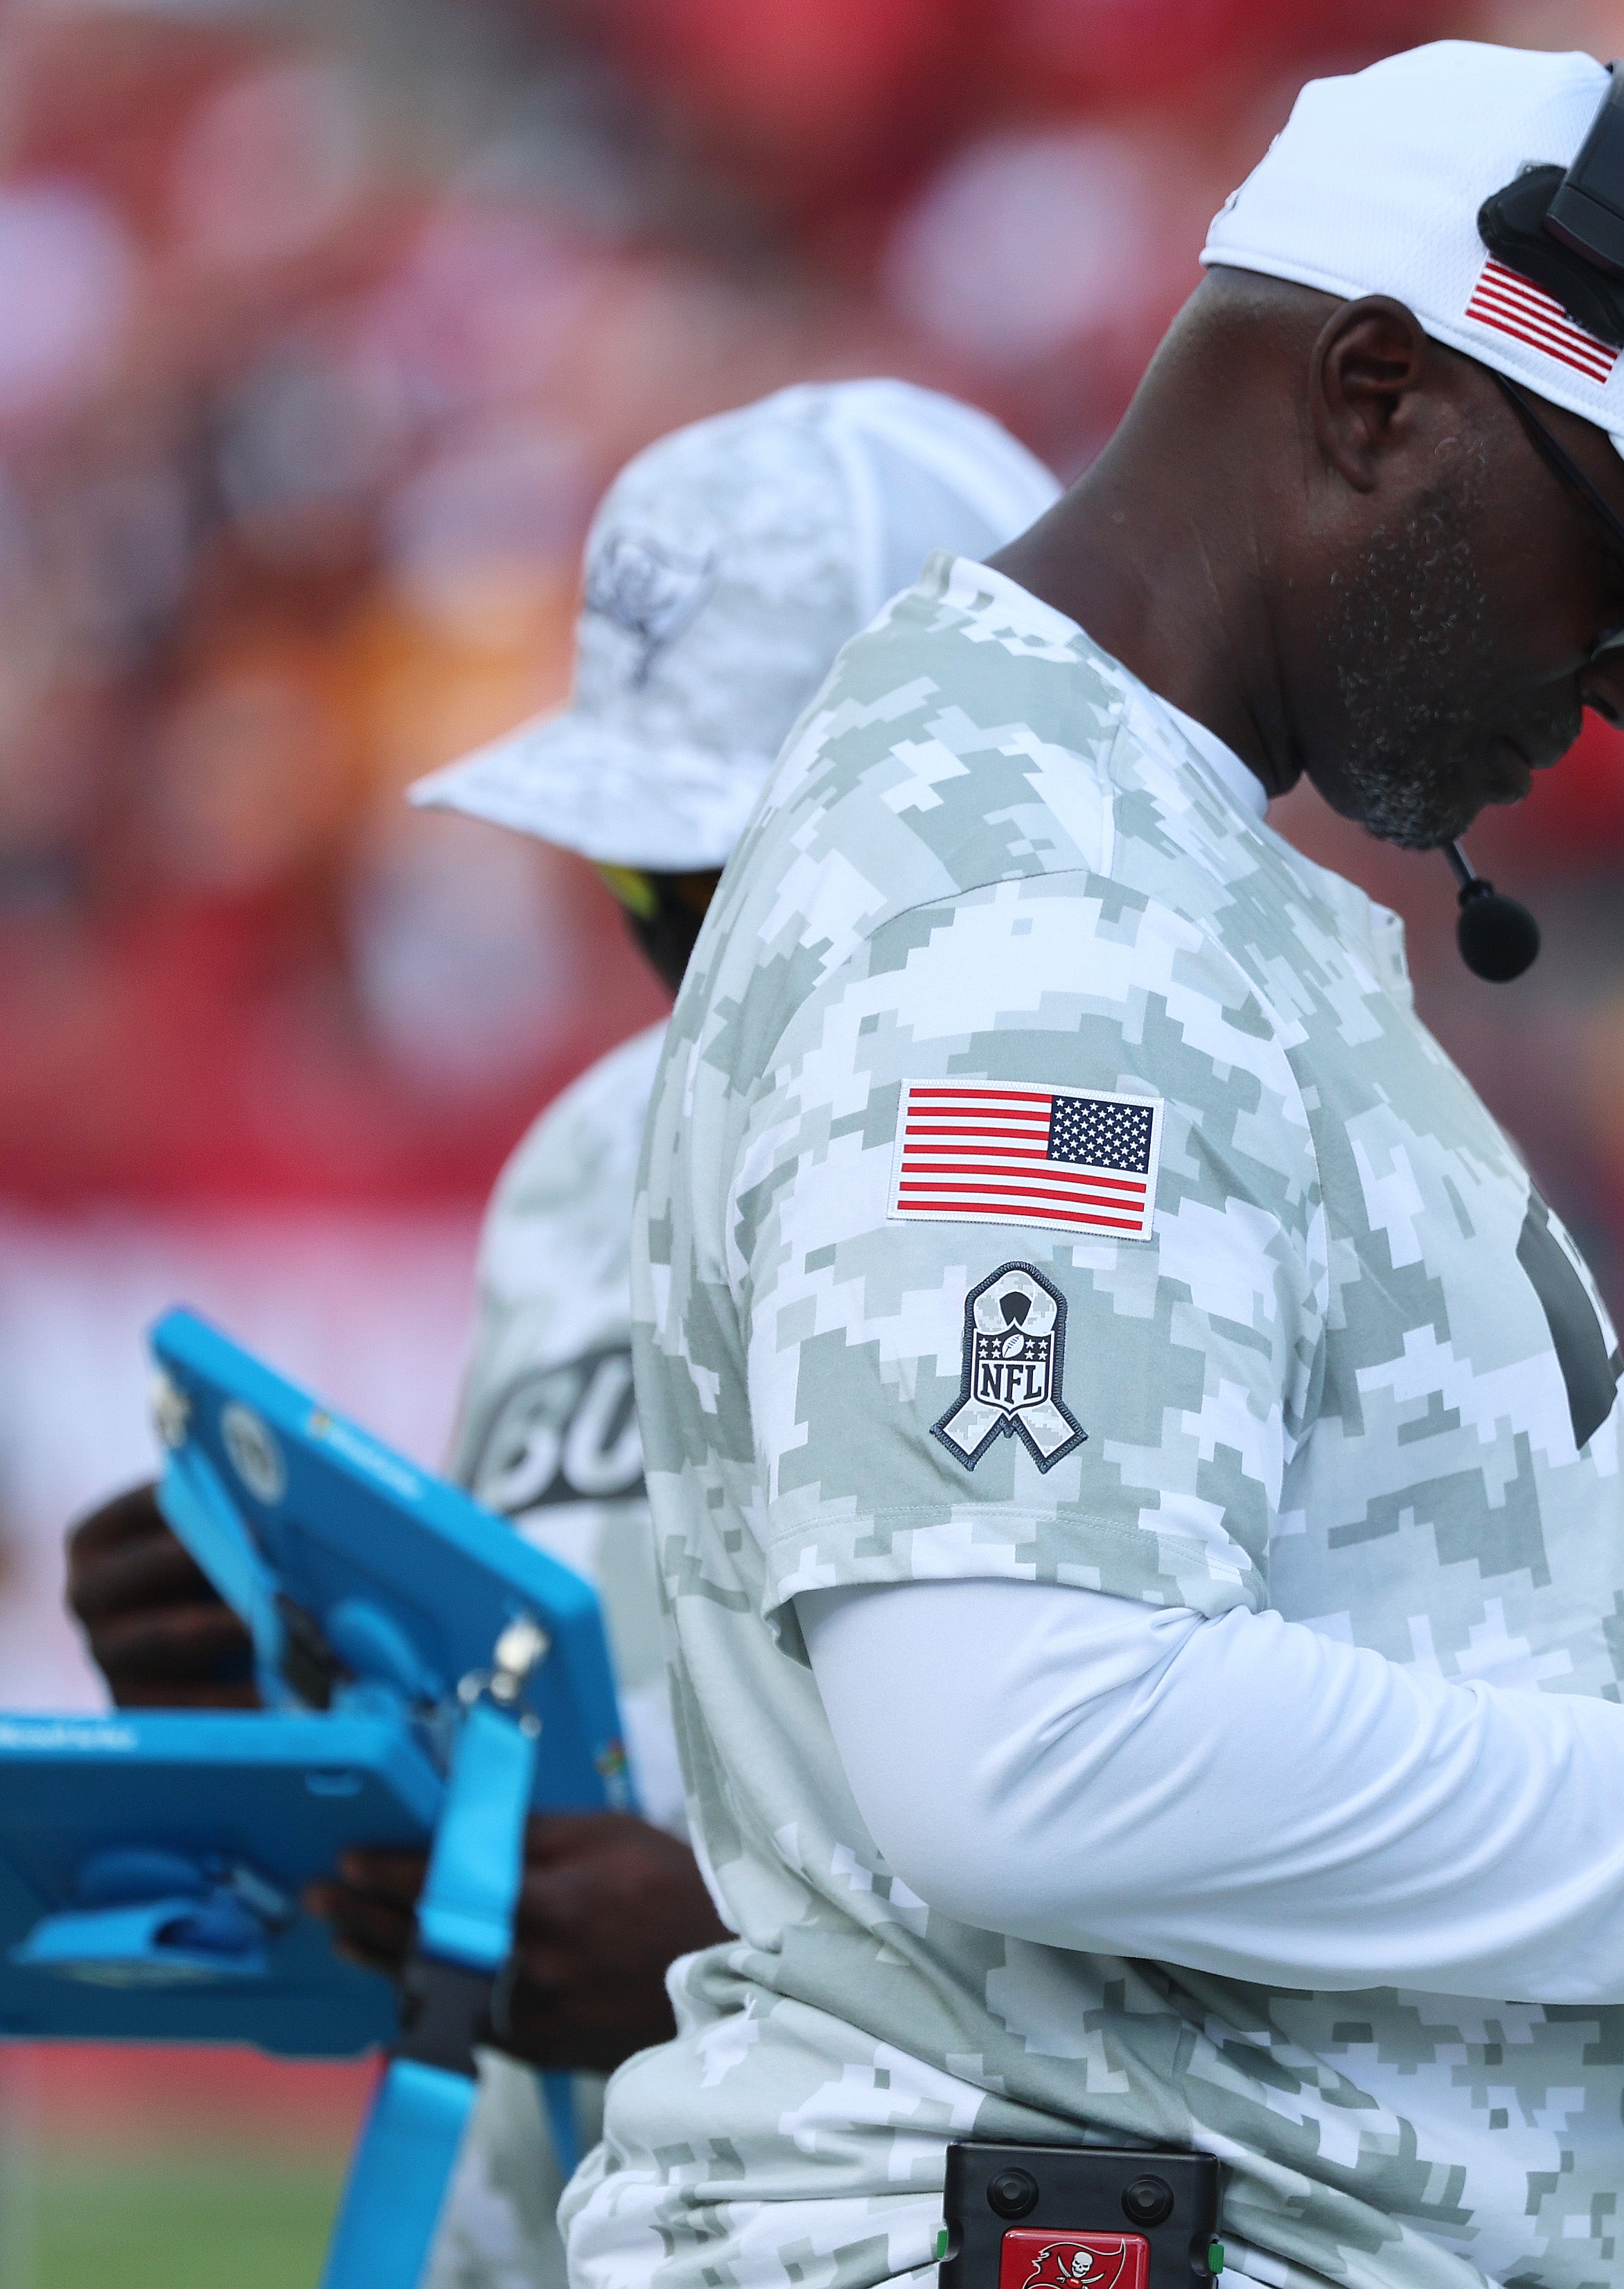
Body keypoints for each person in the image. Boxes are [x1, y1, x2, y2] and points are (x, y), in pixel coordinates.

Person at [563, 42, 1624, 2289]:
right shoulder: (1031, 904)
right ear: (1372, 394)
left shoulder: (1116, 852)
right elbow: (1030, 1738)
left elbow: (1215, 1710)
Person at [60, 378, 1061, 2289]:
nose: (684, 946)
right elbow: (545, 1755)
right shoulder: (585, 1158)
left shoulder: (1141, 1163)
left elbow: (1282, 1855)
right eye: (637, 882)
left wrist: (734, 1960)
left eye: (736, 875)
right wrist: (279, 1713)